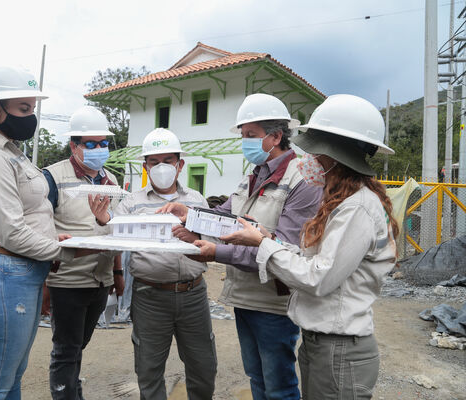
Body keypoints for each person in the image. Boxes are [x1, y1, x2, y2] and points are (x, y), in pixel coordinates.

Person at [199, 94, 399, 399]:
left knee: (279, 387)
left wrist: (262, 243)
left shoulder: (357, 208)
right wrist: (267, 239)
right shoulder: (341, 202)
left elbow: (318, 277)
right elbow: (308, 259)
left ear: (337, 157)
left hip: (340, 344)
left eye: (316, 154)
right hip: (322, 340)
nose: (308, 161)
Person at [160, 93, 322, 400]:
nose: (244, 142)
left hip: (274, 302)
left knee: (279, 386)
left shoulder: (301, 181)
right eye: (243, 135)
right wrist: (190, 215)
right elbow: (226, 218)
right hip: (246, 296)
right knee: (257, 379)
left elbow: (282, 249)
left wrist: (215, 252)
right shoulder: (252, 178)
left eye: (251, 136)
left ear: (276, 136)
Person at [0, 65, 82, 400]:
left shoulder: (11, 153)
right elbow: (11, 233)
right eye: (23, 109)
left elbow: (30, 217)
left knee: (11, 379)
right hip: (4, 275)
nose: (31, 117)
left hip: (19, 274)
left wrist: (54, 241)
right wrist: (63, 250)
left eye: (32, 109)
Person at [88, 128, 217, 400]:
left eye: (167, 160)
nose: (161, 167)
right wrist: (103, 221)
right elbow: (112, 237)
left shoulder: (196, 200)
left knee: (203, 367)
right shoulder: (132, 203)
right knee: (148, 370)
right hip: (150, 296)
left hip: (193, 294)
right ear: (145, 166)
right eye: (154, 161)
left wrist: (195, 235)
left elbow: (215, 241)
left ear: (180, 164)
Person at [42, 105, 124, 400]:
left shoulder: (111, 181)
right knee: (66, 348)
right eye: (91, 144)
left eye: (103, 143)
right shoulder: (52, 178)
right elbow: (38, 230)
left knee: (79, 345)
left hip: (100, 281)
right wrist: (44, 283)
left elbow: (115, 229)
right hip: (67, 280)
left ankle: (72, 392)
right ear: (73, 146)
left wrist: (117, 272)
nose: (99, 149)